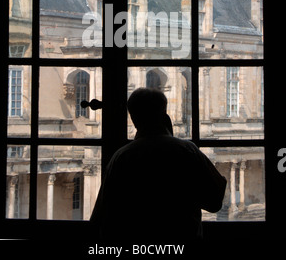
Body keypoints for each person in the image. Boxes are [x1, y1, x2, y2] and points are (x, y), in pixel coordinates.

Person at [90, 88, 227, 242]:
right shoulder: (187, 150)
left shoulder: (121, 157)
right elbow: (214, 202)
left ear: (133, 118)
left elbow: (102, 215)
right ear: (164, 114)